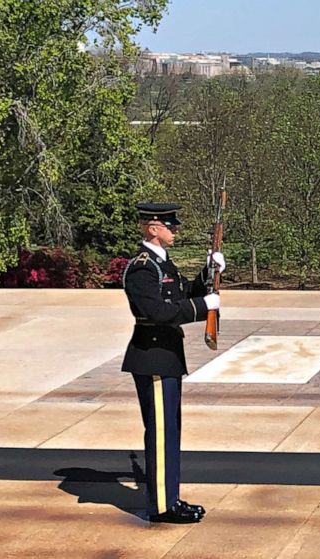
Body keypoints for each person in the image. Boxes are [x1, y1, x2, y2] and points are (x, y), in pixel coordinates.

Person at [121, 202, 225, 523]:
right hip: (152, 357)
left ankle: (170, 498)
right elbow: (160, 312)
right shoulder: (142, 268)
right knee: (161, 433)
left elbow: (181, 295)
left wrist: (209, 273)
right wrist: (202, 306)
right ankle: (164, 506)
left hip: (166, 357)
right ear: (153, 228)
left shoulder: (162, 265)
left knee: (170, 431)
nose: (175, 229)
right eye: (170, 225)